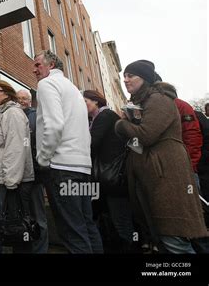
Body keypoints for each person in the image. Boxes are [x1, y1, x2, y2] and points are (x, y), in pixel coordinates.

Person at [115, 60, 207, 253]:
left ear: (145, 78)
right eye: (124, 75)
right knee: (168, 240)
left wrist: (122, 125)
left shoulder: (158, 99)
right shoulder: (142, 102)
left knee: (176, 241)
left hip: (167, 178)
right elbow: (138, 144)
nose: (125, 79)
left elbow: (146, 135)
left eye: (131, 75)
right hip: (156, 179)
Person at [34, 50, 103, 254]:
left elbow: (54, 125)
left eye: (38, 64)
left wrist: (43, 159)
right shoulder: (74, 89)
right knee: (86, 225)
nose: (34, 69)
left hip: (62, 169)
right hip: (82, 168)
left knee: (73, 232)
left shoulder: (47, 84)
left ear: (51, 65)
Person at [83, 90, 135, 253]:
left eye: (85, 101)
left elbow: (91, 144)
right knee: (113, 219)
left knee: (121, 221)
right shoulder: (97, 118)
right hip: (109, 177)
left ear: (96, 102)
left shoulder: (105, 117)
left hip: (113, 178)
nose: (83, 105)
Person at [0, 80, 35, 253]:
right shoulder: (1, 114)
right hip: (8, 180)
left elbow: (15, 149)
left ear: (7, 94)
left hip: (15, 181)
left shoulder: (13, 113)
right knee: (13, 228)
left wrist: (11, 182)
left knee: (19, 228)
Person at [16, 89, 49, 253]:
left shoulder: (35, 117)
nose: (21, 101)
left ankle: (41, 250)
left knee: (39, 216)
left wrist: (38, 167)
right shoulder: (14, 116)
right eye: (19, 98)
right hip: (17, 176)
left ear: (30, 101)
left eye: (24, 98)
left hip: (34, 175)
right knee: (23, 216)